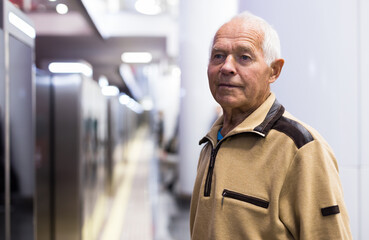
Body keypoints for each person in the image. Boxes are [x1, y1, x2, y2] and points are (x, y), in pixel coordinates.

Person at [189, 11, 352, 240]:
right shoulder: (211, 143)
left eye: (244, 57)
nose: (226, 67)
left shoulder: (301, 149)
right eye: (218, 55)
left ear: (273, 71)